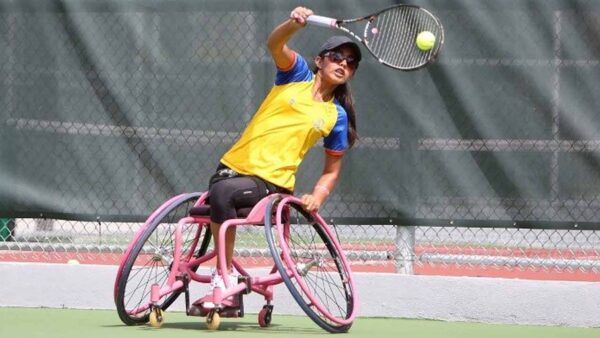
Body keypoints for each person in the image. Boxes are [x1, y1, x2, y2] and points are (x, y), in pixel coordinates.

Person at [200, 6, 361, 308]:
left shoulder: (335, 116)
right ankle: (214, 277)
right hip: (230, 168)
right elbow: (275, 44)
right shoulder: (295, 74)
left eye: (350, 63)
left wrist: (318, 195)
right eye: (337, 57)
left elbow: (331, 170)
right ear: (319, 61)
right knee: (219, 191)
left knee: (223, 194)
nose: (343, 64)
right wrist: (293, 23)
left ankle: (224, 283)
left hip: (271, 185)